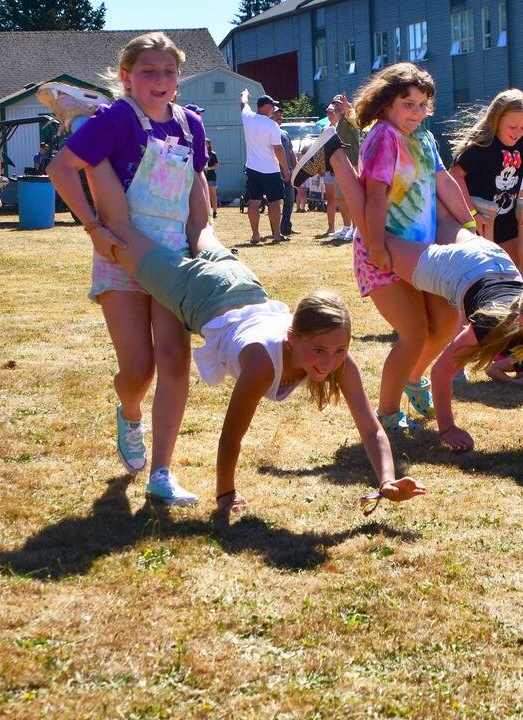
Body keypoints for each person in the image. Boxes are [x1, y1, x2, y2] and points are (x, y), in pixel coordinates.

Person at [87, 213, 422, 516]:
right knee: (119, 236)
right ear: (293, 337)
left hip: (242, 283)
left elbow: (370, 427)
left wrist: (387, 480)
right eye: (319, 350)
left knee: (200, 223)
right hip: (197, 290)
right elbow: (232, 435)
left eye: (339, 350)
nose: (329, 361)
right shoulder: (263, 362)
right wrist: (225, 494)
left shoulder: (340, 362)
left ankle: (197, 167)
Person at [48, 34, 214, 499]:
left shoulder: (191, 125)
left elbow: (197, 184)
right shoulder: (118, 118)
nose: (160, 80)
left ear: (179, 77)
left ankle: (162, 472)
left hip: (174, 259)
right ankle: (130, 411)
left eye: (169, 72)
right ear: (127, 76)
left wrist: (204, 239)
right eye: (148, 71)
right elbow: (62, 168)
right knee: (139, 370)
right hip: (120, 254)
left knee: (174, 360)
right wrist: (92, 228)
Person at [348, 65, 471, 434]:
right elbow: (374, 196)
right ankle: (387, 413)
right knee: (415, 333)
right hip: (383, 252)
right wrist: (376, 248)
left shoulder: (424, 138)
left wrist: (469, 227)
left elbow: (443, 181)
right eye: (408, 104)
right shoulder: (384, 137)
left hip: (422, 254)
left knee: (446, 321)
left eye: (422, 105)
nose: (416, 112)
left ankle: (414, 378)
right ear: (386, 103)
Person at [450, 88, 523, 280]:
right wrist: (473, 214)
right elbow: (455, 176)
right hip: (480, 225)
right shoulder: (482, 145)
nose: (517, 133)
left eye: (522, 128)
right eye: (512, 127)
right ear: (496, 119)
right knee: (486, 279)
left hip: (509, 225)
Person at [238, 91, 291, 243]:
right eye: (272, 106)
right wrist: (285, 169)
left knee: (254, 202)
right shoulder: (272, 125)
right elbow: (278, 149)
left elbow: (243, 104)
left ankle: (255, 235)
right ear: (265, 106)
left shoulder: (247, 117)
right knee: (274, 202)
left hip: (252, 168)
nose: (274, 108)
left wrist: (244, 94)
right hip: (271, 170)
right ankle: (276, 234)